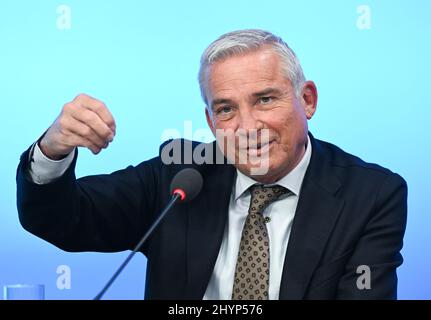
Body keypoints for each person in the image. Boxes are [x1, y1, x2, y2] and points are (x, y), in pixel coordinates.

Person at [16, 29, 407, 300]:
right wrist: (53, 151)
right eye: (226, 109)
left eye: (265, 99)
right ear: (210, 122)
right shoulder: (180, 174)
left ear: (307, 100)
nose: (248, 126)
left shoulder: (371, 195)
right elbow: (61, 220)